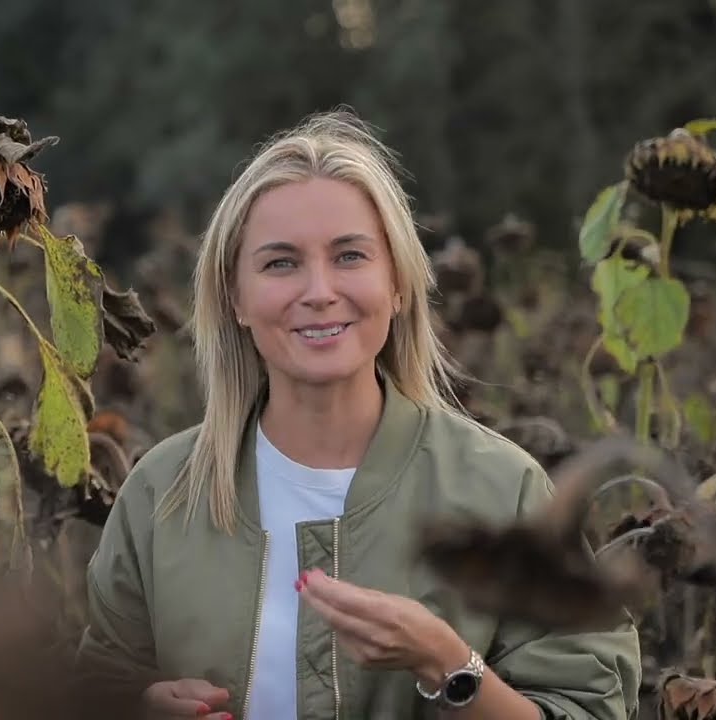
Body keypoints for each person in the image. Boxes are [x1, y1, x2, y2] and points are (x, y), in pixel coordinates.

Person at [76, 109, 642, 720]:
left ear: (397, 284)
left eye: (349, 256)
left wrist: (448, 664)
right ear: (235, 297)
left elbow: (591, 707)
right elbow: (90, 688)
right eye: (281, 263)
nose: (319, 291)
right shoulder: (162, 495)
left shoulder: (504, 490)